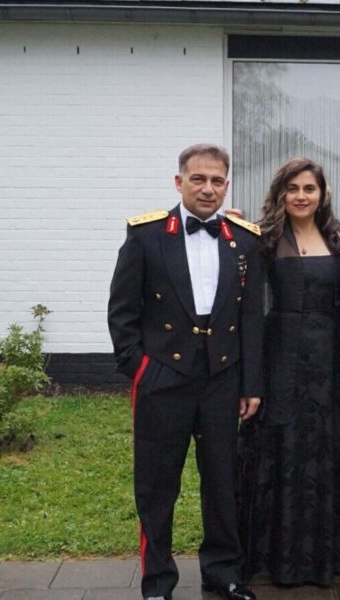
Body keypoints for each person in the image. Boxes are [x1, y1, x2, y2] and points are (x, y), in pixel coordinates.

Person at [108, 143, 264, 600]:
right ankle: (157, 582)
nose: (207, 188)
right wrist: (140, 369)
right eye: (198, 179)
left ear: (226, 186)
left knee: (222, 483)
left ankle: (223, 572)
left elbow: (251, 318)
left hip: (222, 379)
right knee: (157, 487)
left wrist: (251, 383)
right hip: (163, 378)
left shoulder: (244, 239)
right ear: (179, 182)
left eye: (216, 181)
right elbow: (122, 311)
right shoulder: (147, 235)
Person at [238, 157, 340, 587]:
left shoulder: (339, 238)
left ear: (321, 194)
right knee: (280, 444)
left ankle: (331, 558)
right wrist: (229, 232)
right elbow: (239, 294)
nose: (301, 196)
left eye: (309, 188)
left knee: (327, 446)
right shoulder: (263, 239)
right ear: (281, 194)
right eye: (292, 188)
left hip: (331, 357)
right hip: (279, 355)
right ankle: (275, 558)